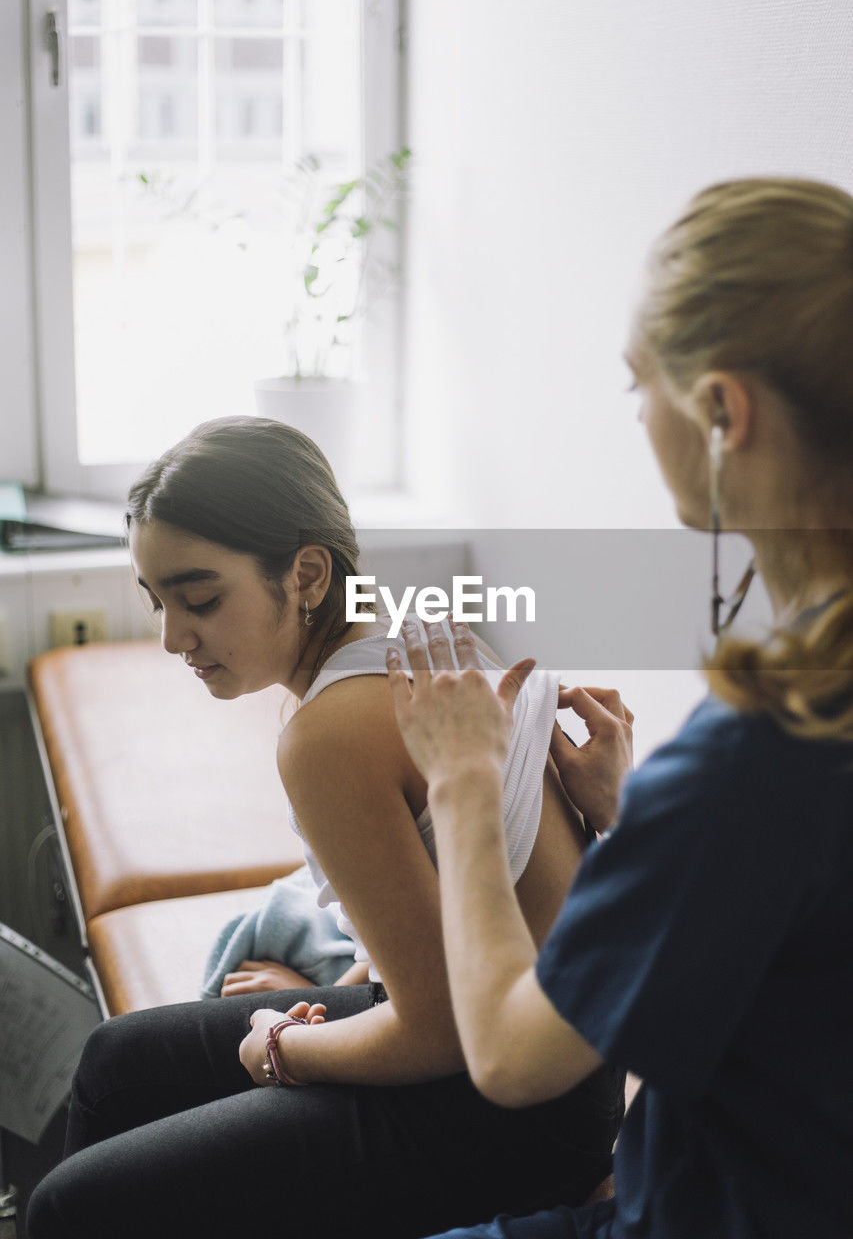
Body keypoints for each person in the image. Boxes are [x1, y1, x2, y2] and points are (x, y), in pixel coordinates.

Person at [385, 177, 853, 1238]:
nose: (639, 415)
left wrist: (462, 779)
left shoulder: (758, 750)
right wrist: (639, 812)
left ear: (723, 411)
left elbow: (511, 1052)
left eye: (636, 384)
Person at [27, 417, 624, 1239]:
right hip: (543, 1055)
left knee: (71, 1206)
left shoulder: (329, 735)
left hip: (510, 1110)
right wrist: (338, 1006)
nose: (171, 637)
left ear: (306, 573)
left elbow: (440, 1026)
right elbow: (444, 909)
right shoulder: (425, 643)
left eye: (199, 599)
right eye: (155, 600)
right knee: (115, 1062)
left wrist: (280, 1047)